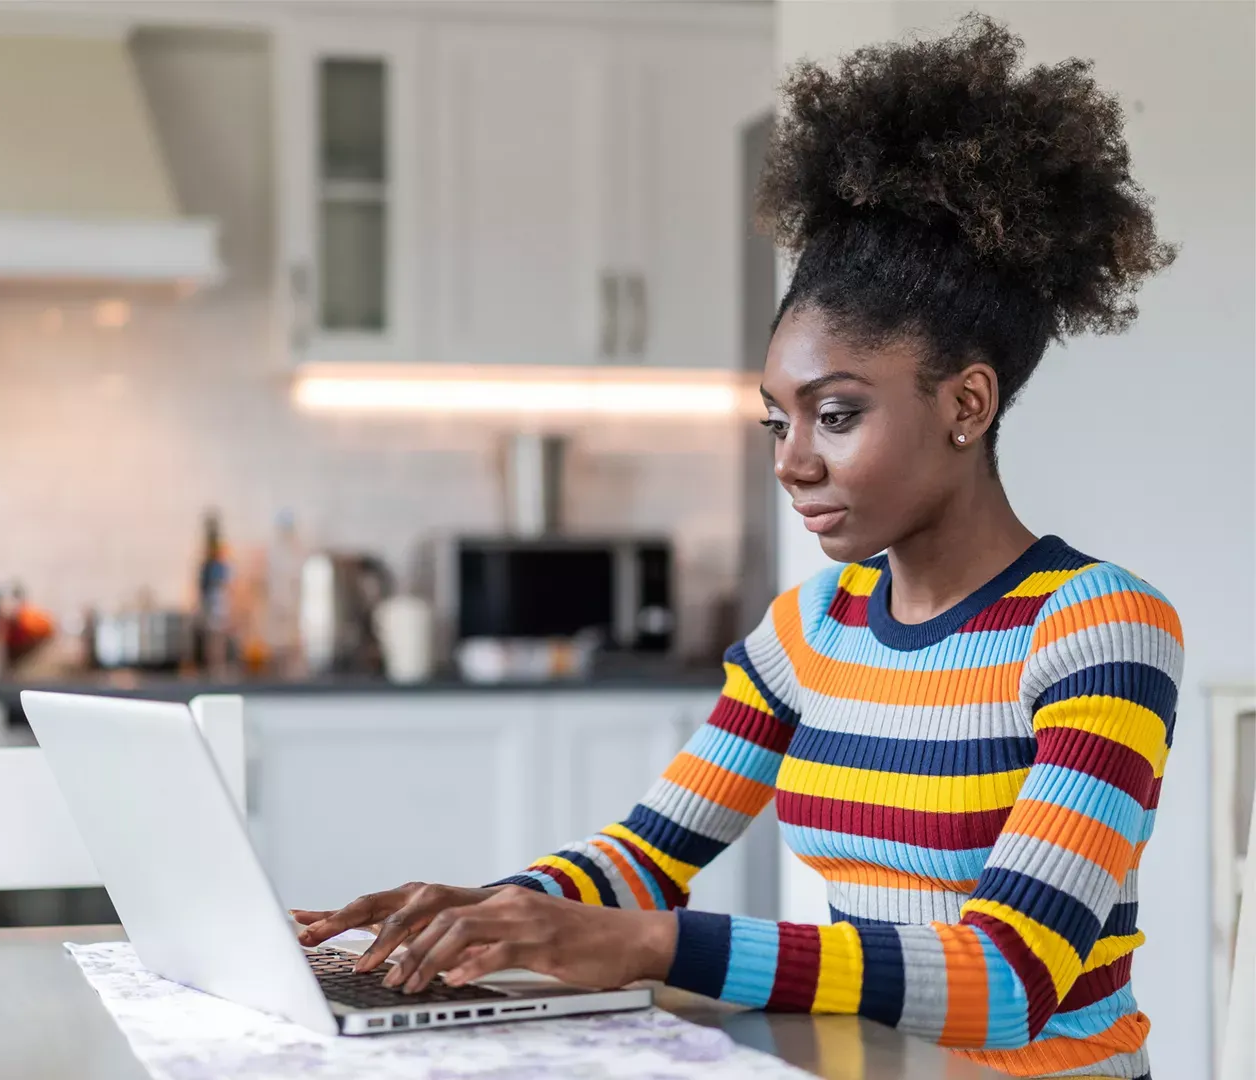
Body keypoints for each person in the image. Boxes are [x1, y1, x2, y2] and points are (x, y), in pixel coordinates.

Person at [294, 16, 1179, 1079]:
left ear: (967, 403)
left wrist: (655, 947)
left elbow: (1006, 978)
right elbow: (647, 858)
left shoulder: (1100, 631)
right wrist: (499, 909)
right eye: (777, 421)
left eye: (836, 415)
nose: (791, 461)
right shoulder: (809, 631)